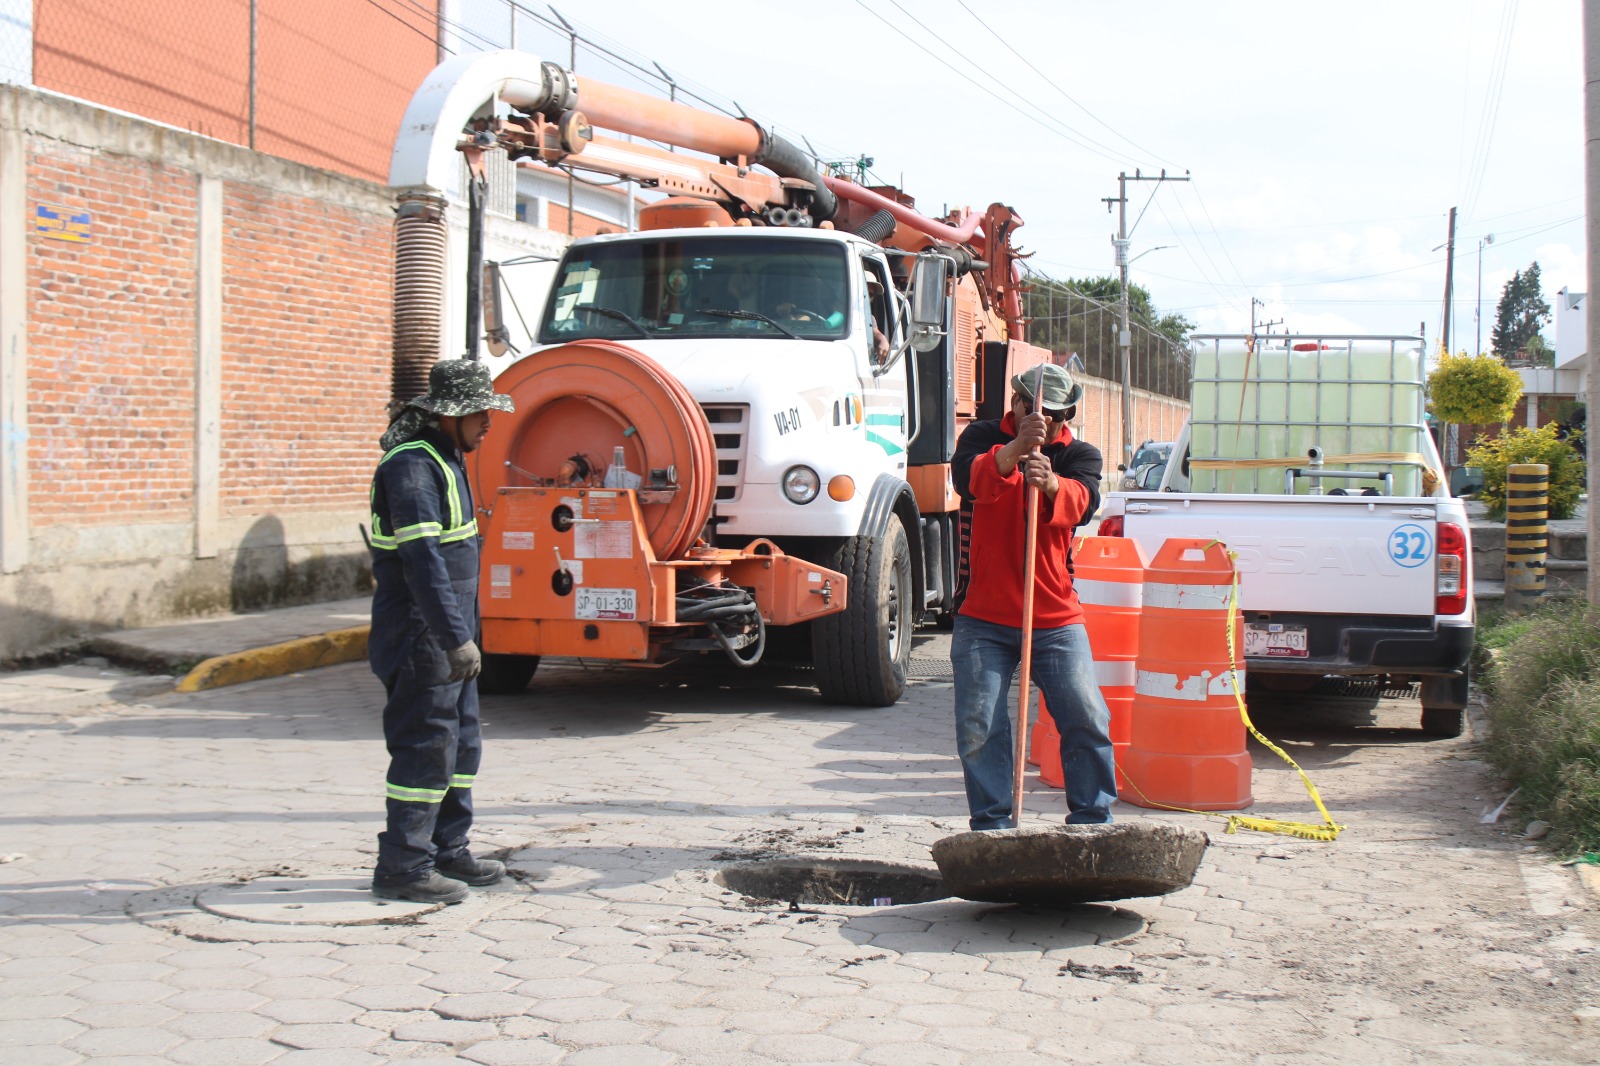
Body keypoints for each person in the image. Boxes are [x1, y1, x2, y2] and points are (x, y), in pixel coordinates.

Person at [368, 358, 516, 904]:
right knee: (425, 746)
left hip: (448, 635)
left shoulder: (447, 458)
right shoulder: (412, 468)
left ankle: (448, 849)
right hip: (419, 637)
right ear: (447, 416)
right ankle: (404, 866)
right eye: (479, 412)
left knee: (462, 744)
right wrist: (455, 638)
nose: (488, 421)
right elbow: (423, 562)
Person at [949, 363, 1116, 830]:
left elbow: (1085, 504)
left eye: (1059, 417)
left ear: (1070, 415)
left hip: (1055, 614)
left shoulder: (1078, 453)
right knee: (979, 724)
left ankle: (1092, 820)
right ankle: (993, 826)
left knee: (1086, 714)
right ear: (1017, 404)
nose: (1050, 424)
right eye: (1039, 411)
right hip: (982, 613)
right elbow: (968, 483)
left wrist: (1053, 485)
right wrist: (1016, 451)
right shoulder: (981, 436)